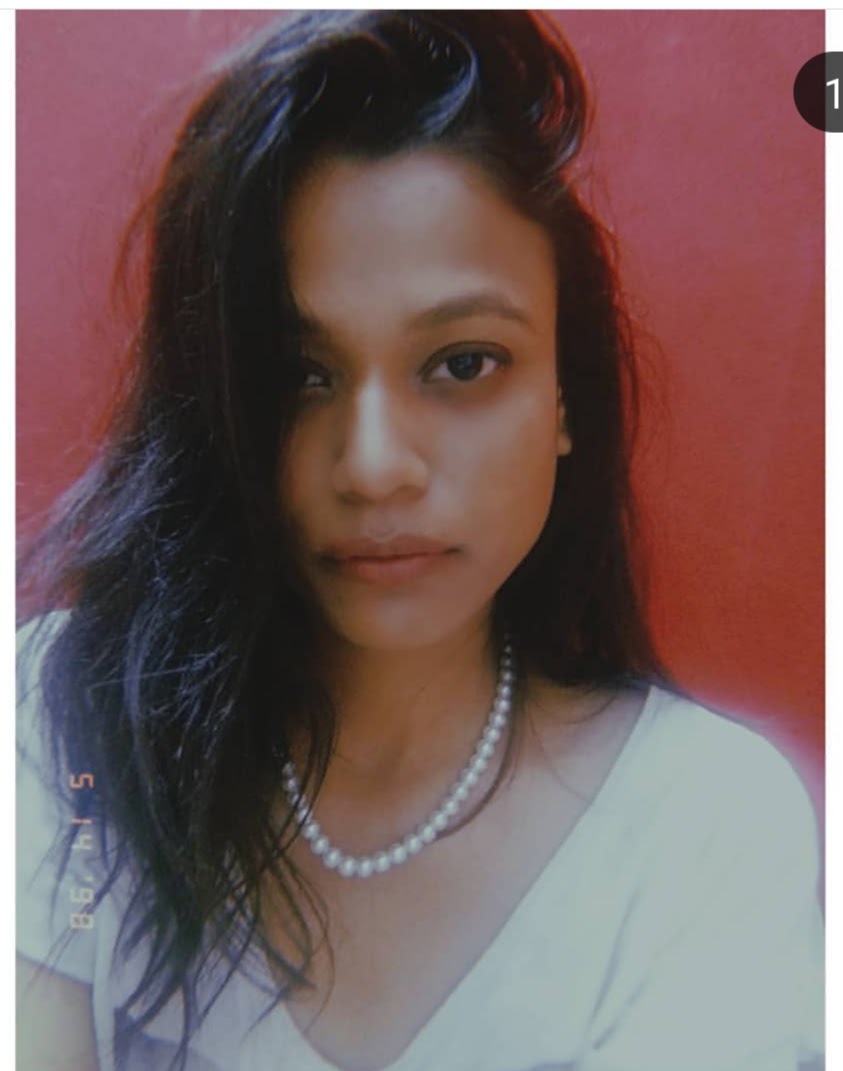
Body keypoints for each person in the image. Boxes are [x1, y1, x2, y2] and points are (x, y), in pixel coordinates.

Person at [16, 11, 823, 1071]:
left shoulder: (702, 826)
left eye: (462, 364)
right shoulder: (64, 724)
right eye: (299, 375)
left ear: (565, 398)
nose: (373, 465)